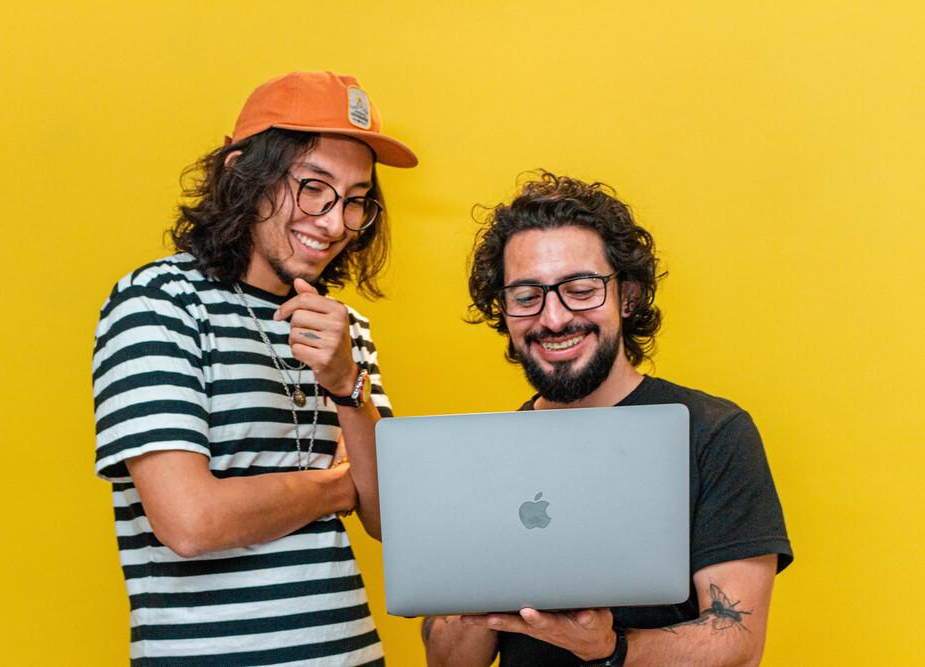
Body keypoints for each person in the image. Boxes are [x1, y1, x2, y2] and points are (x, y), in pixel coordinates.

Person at [92, 71, 417, 665]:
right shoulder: (159, 304)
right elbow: (191, 523)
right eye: (314, 187)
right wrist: (333, 485)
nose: (333, 222)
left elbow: (388, 519)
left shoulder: (344, 329)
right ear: (243, 172)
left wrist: (348, 387)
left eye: (354, 200)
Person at [423, 173, 792, 666]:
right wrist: (469, 595)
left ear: (629, 295)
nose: (552, 319)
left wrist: (611, 649)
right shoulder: (482, 457)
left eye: (579, 289)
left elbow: (738, 645)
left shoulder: (712, 432)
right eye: (526, 296)